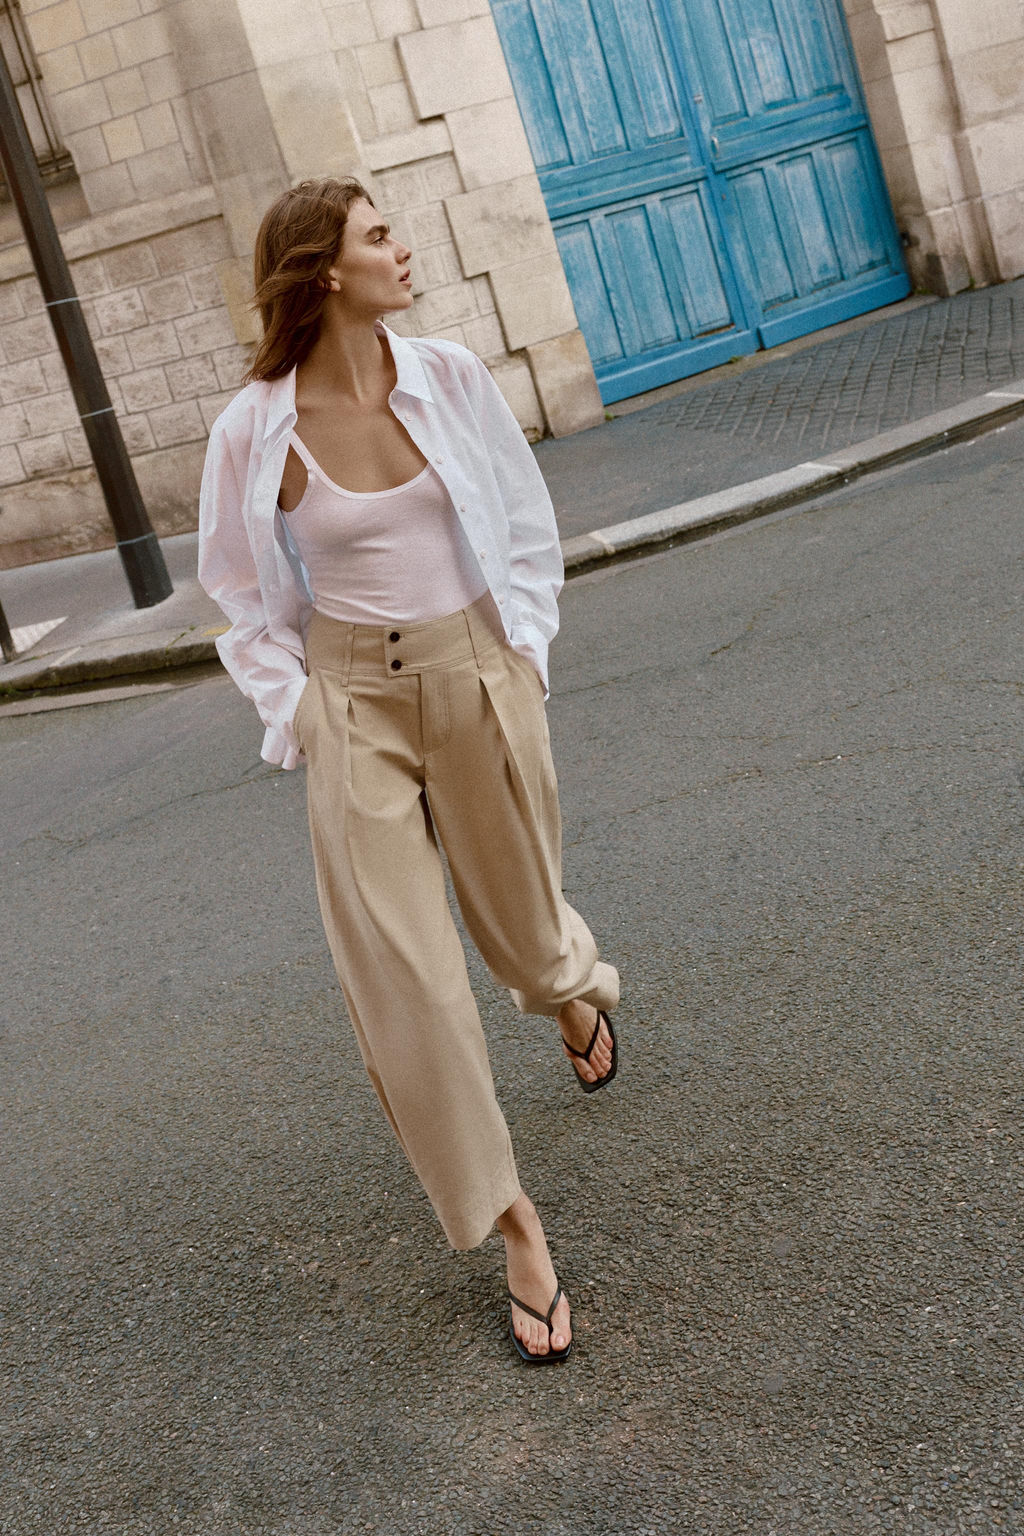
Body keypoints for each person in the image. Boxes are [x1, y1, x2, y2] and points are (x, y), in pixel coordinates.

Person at [198, 176, 620, 1363]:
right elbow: (238, 598)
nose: (404, 248)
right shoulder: (252, 432)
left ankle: (567, 984)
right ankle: (512, 1221)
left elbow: (523, 524)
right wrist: (301, 710)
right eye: (379, 235)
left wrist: (522, 656)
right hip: (352, 707)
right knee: (410, 989)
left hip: (476, 672)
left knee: (525, 934)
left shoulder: (450, 377)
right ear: (324, 271)